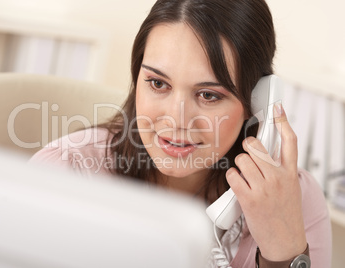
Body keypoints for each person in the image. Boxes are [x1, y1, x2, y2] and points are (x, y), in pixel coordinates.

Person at [30, 0, 332, 267]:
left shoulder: (295, 200)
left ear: (256, 102)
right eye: (158, 84)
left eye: (209, 95)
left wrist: (284, 252)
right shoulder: (66, 173)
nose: (177, 119)